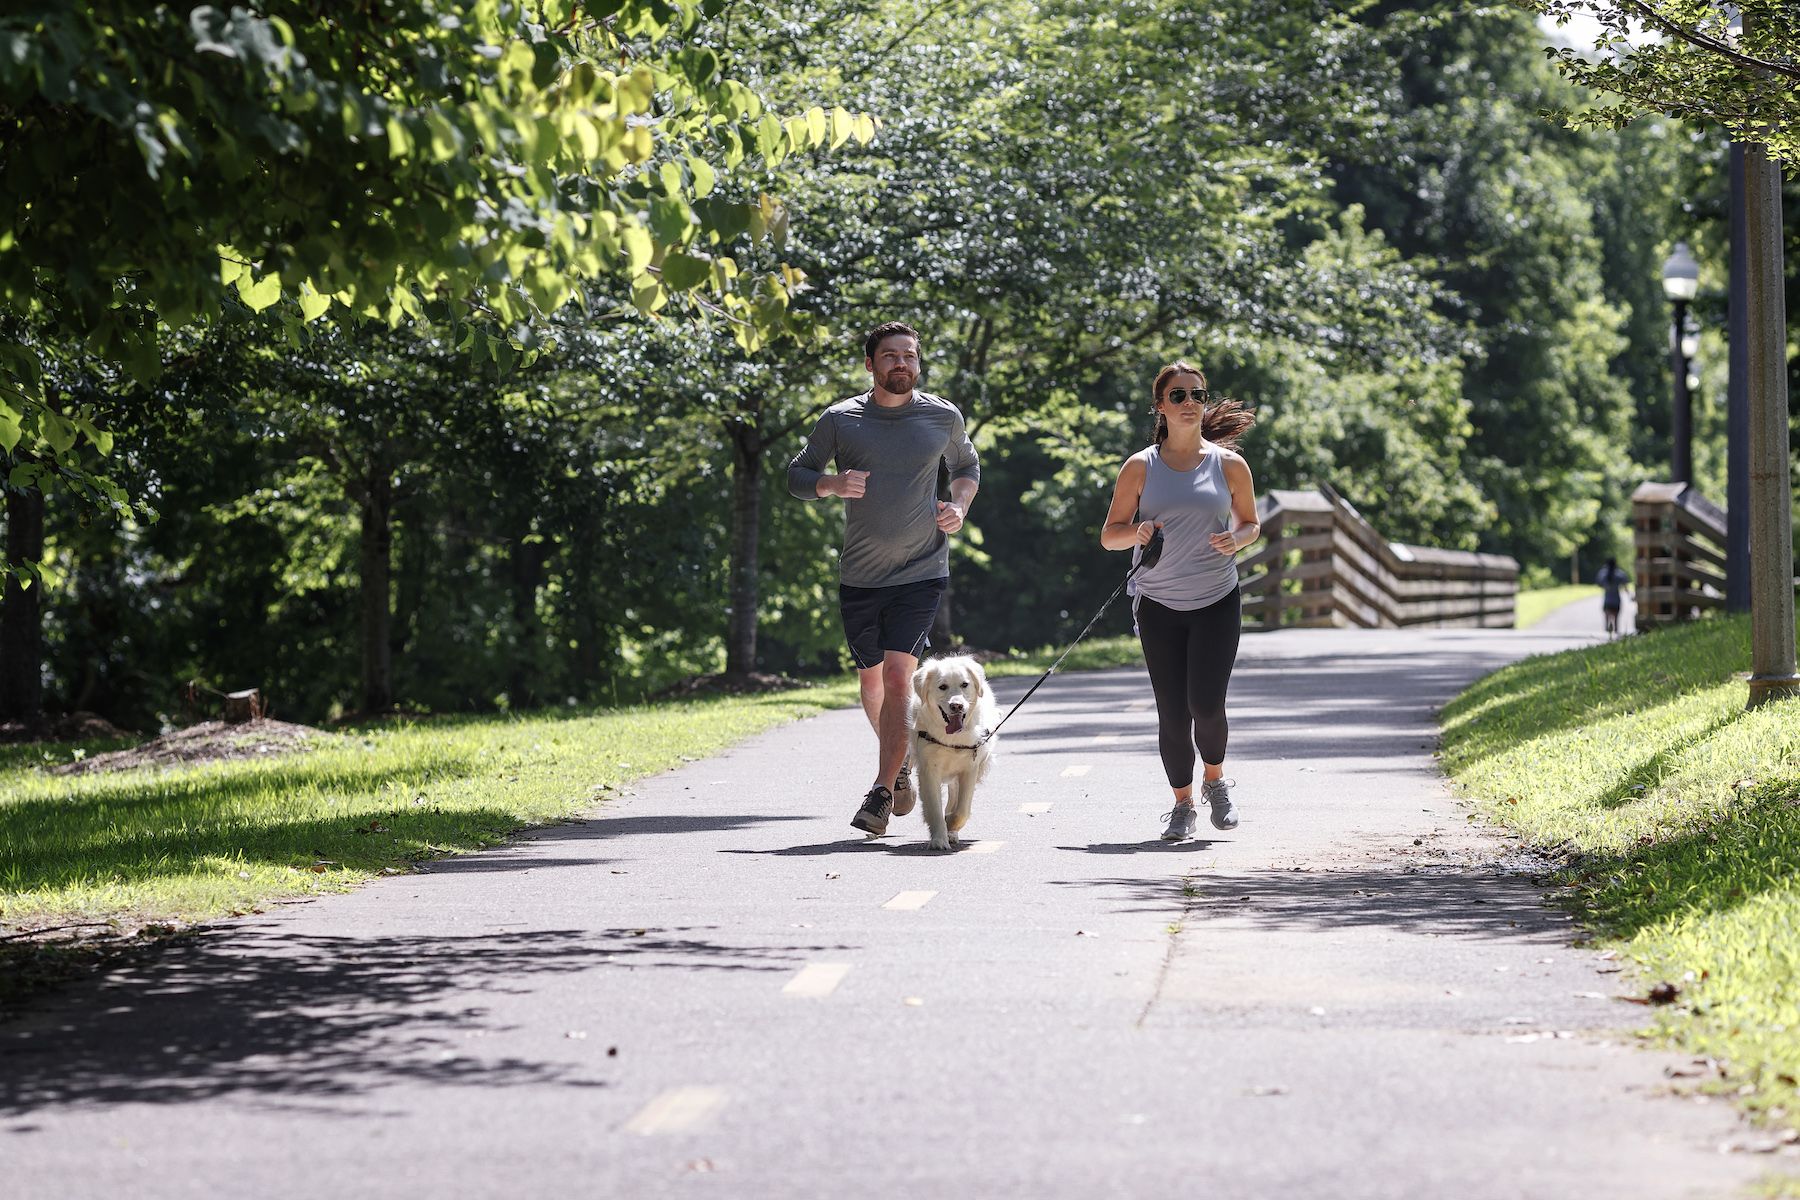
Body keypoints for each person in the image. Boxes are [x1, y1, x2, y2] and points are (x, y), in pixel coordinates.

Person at [788, 322, 980, 835]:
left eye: (910, 356)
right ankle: (900, 772)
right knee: (872, 684)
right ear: (870, 364)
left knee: (900, 678)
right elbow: (797, 475)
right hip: (861, 575)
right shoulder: (842, 420)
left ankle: (880, 788)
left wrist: (958, 507)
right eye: (890, 356)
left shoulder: (941, 415)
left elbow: (966, 464)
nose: (901, 364)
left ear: (919, 364)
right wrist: (830, 483)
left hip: (922, 570)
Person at [1100, 362, 1259, 841]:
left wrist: (1239, 539)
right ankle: (1182, 805)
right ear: (1160, 406)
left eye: (1197, 394)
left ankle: (1216, 782)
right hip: (1157, 603)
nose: (1189, 402)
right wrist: (1138, 531)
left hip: (1216, 599)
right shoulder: (1140, 466)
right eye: (1177, 395)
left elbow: (1251, 522)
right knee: (1173, 712)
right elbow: (1110, 536)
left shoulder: (1229, 464)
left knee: (1206, 705)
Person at [1597, 555, 1631, 636]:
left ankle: (1607, 629)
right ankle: (1615, 631)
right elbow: (1625, 585)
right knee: (1616, 618)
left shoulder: (1603, 573)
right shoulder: (1619, 573)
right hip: (1616, 600)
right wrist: (1630, 596)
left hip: (1607, 600)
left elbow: (1599, 584)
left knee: (1607, 615)